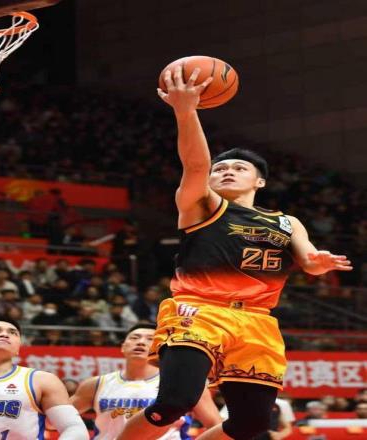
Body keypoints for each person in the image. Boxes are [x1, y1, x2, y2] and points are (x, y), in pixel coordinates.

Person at [116, 65, 352, 440]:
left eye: (239, 167)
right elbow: (195, 164)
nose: (227, 171)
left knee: (251, 425)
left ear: (259, 180)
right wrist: (186, 111)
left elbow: (308, 262)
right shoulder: (202, 206)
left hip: (257, 320)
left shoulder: (287, 222)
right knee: (173, 403)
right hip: (199, 310)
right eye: (220, 168)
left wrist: (319, 263)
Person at [71, 323, 221, 439]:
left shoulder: (182, 383)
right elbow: (60, 418)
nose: (141, 342)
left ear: (159, 347)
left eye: (150, 339)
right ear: (123, 346)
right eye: (135, 338)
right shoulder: (95, 384)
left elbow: (216, 425)